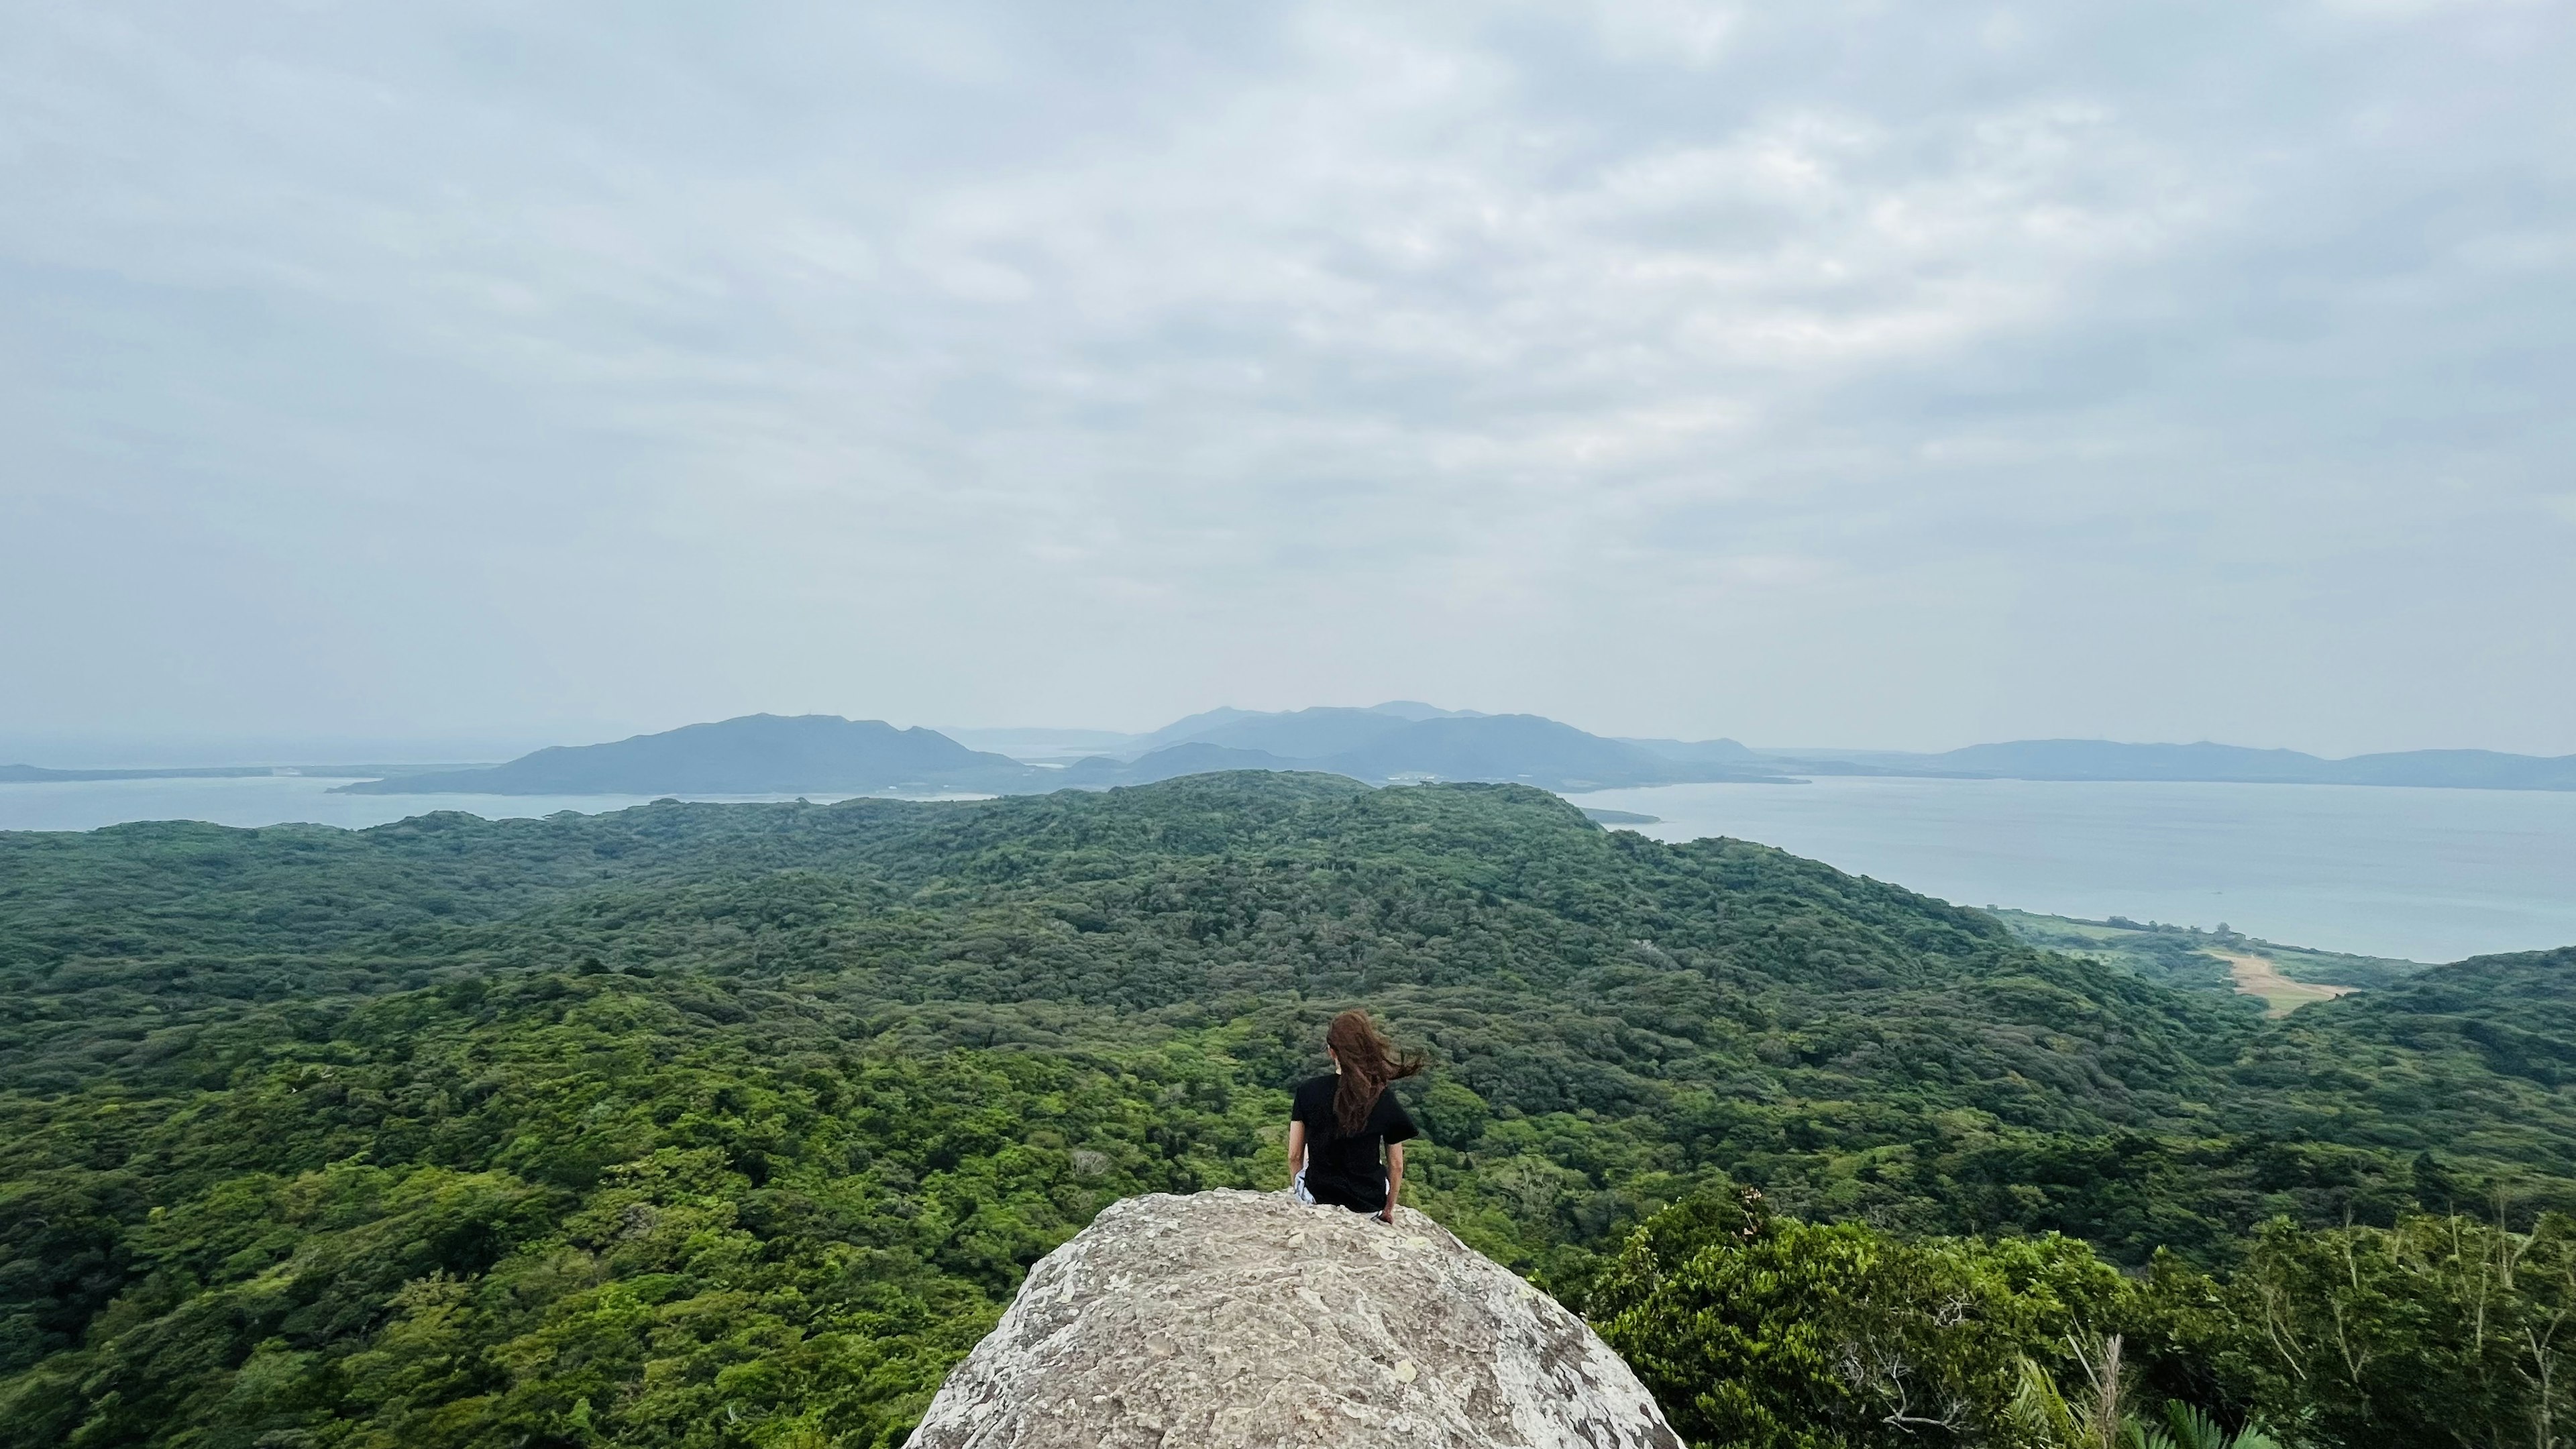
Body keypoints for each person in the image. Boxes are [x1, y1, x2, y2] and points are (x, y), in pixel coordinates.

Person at [1287, 1009, 1424, 1223]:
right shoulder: (1381, 1096)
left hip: (1318, 1200)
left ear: (1332, 1051)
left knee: (1307, 1153)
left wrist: (1301, 1194)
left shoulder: (1307, 1090)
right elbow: (1396, 1164)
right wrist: (1388, 1209)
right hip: (1367, 1206)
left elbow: (1294, 1156)